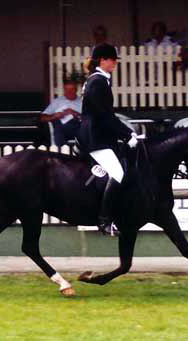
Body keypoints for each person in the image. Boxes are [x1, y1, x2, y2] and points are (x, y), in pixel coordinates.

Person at [79, 43, 138, 236]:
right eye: (112, 60)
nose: (115, 63)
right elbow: (104, 115)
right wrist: (127, 134)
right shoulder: (98, 81)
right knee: (117, 173)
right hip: (95, 137)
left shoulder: (99, 80)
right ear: (103, 60)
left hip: (99, 134)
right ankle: (104, 221)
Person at [39, 80, 82, 146]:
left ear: (76, 90)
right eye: (66, 89)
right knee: (58, 123)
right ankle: (61, 149)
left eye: (72, 89)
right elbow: (42, 118)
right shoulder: (58, 101)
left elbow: (90, 119)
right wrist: (55, 116)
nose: (69, 92)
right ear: (64, 91)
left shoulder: (82, 102)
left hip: (78, 128)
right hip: (62, 128)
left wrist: (75, 113)